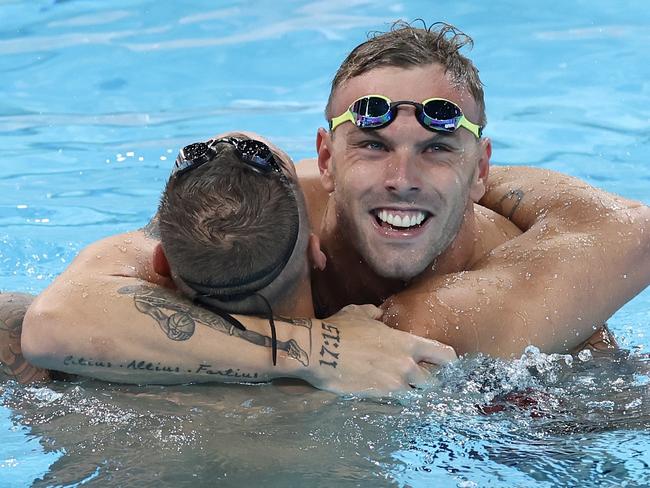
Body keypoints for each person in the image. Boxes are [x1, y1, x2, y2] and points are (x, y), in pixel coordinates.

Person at [13, 22, 649, 395]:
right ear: (326, 154)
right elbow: (54, 319)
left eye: (437, 149)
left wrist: (459, 178)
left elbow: (636, 232)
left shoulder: (490, 278)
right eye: (372, 146)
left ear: (482, 169)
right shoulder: (274, 208)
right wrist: (315, 352)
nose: (402, 178)